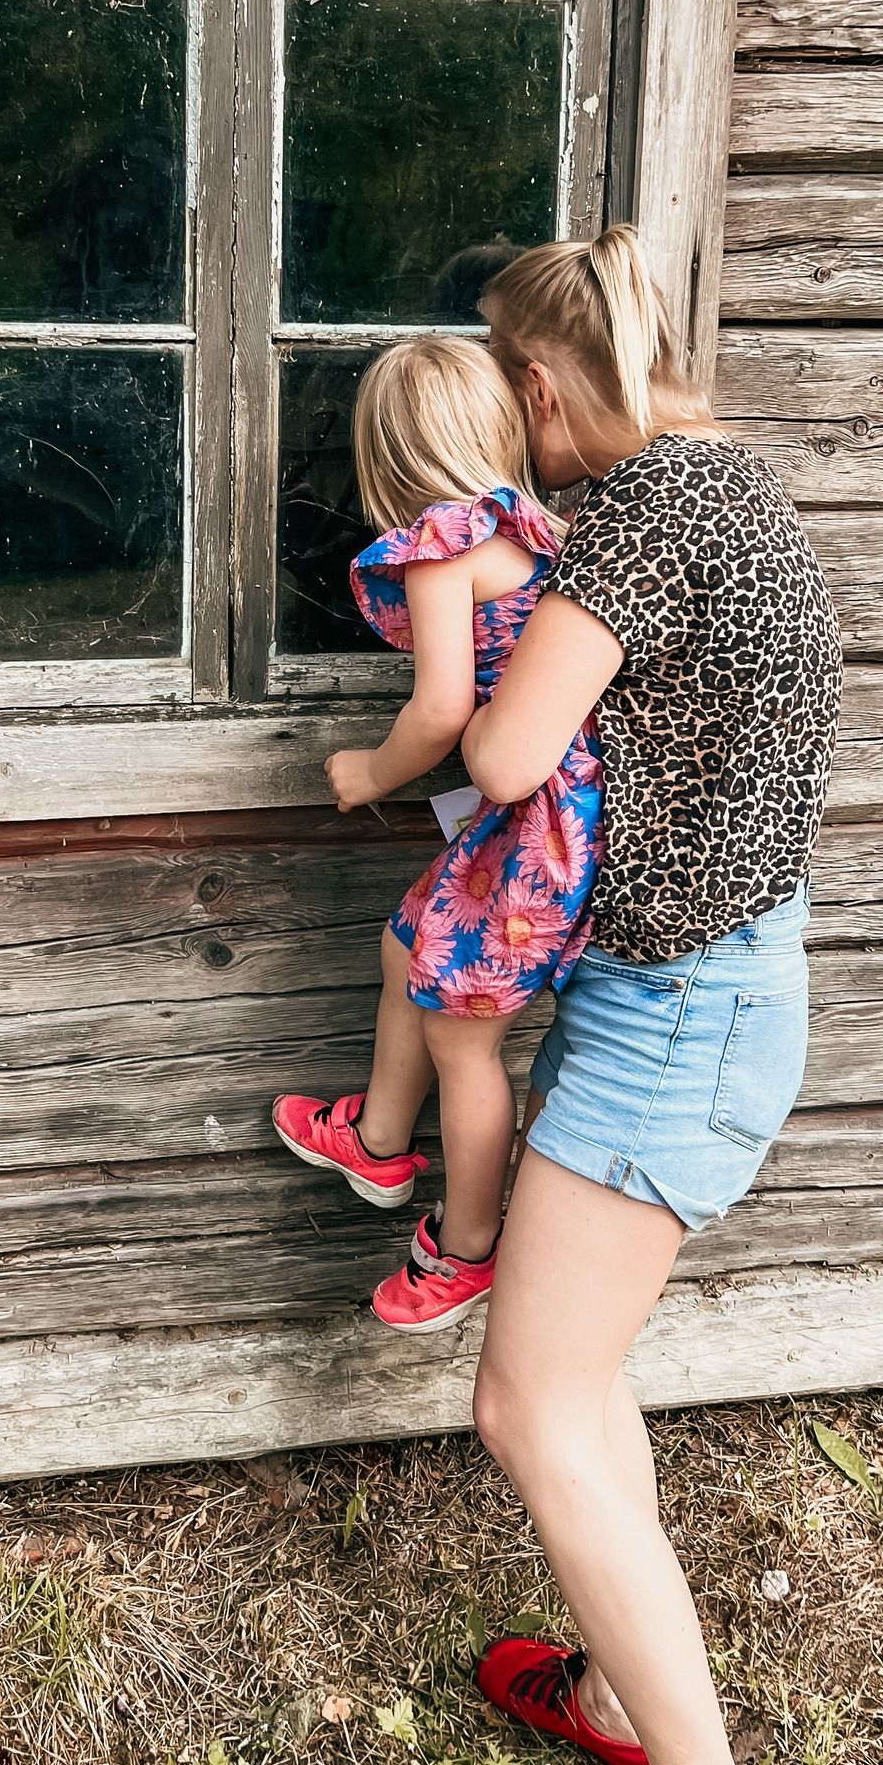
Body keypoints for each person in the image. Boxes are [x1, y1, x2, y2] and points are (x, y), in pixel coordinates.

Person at [458, 223, 842, 1765]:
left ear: (544, 388)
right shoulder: (739, 491)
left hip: (672, 1012)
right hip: (722, 983)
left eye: (504, 398)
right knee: (576, 1379)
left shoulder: (630, 522)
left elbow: (505, 755)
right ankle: (615, 1690)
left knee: (528, 1407)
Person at [271, 336, 603, 1333]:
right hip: (551, 815)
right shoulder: (535, 534)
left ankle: (464, 1250)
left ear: (387, 453)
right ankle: (376, 1141)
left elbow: (438, 708)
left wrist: (366, 773)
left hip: (529, 821)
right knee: (405, 943)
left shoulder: (440, 547)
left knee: (465, 1040)